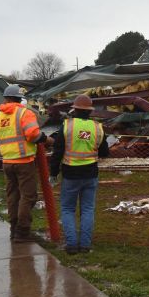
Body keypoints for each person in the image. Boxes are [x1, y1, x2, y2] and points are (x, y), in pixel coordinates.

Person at [49, 94, 108, 255]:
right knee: (88, 209)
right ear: (90, 111)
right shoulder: (97, 127)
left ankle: (72, 245)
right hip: (90, 173)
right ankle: (85, 245)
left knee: (68, 209)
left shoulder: (67, 126)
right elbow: (105, 152)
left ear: (74, 110)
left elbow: (57, 151)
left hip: (70, 174)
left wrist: (53, 173)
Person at [0, 84, 50, 242]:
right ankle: (22, 231)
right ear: (20, 99)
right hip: (24, 161)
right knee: (29, 196)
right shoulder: (25, 113)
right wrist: (47, 139)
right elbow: (33, 135)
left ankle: (13, 229)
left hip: (7, 162)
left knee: (13, 196)